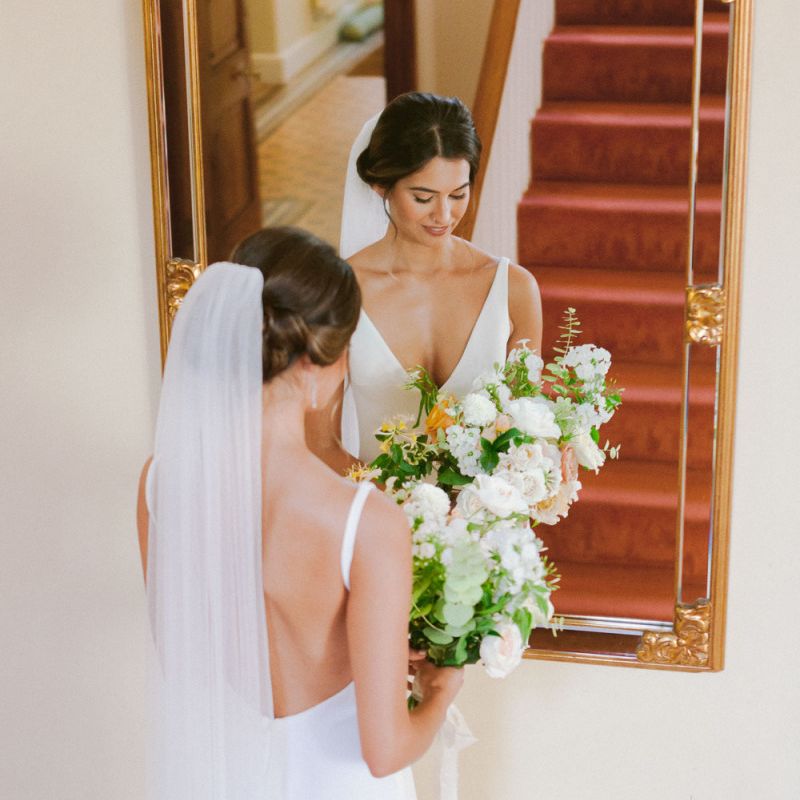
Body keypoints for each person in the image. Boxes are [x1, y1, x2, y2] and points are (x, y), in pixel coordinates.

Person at [136, 226, 463, 799]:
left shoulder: (158, 483)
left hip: (228, 777)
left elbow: (184, 665)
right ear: (318, 369)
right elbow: (384, 753)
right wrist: (440, 693)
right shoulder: (366, 521)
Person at [309, 91, 543, 468]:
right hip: (378, 514)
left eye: (458, 194)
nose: (444, 215)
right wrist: (402, 510)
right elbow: (321, 443)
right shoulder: (339, 295)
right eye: (423, 197)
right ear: (381, 186)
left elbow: (525, 431)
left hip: (490, 520)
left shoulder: (514, 290)